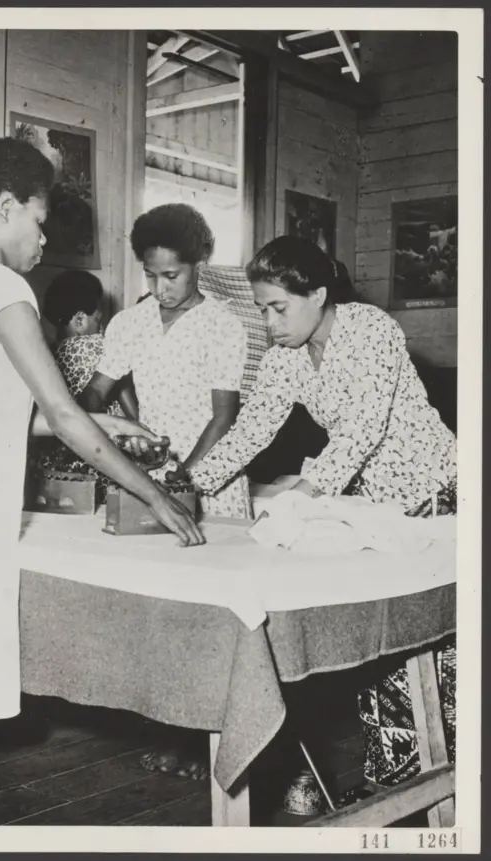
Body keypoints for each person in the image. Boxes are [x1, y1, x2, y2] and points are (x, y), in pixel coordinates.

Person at [0, 138, 203, 813]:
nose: (44, 236)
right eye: (38, 219)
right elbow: (61, 413)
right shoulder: (4, 288)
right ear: (5, 208)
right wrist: (153, 494)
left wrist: (107, 422)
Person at [188, 234, 456, 789]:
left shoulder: (371, 330)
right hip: (379, 510)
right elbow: (251, 429)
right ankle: (394, 785)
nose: (270, 324)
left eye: (278, 308)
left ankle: (448, 785)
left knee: (437, 656)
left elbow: (362, 431)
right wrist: (187, 484)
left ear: (318, 293)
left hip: (438, 498)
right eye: (262, 309)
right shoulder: (285, 357)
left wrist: (302, 498)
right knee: (384, 650)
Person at [80, 203, 252, 521]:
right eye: (150, 275)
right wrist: (109, 431)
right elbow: (95, 392)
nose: (160, 289)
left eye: (171, 276)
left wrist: (183, 475)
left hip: (208, 473)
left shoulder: (223, 326)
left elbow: (224, 416)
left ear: (199, 263)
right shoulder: (129, 322)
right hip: (150, 472)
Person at [30, 269, 138, 505]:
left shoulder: (47, 353)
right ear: (80, 321)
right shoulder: (99, 347)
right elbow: (130, 403)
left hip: (56, 469)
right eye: (98, 320)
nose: (101, 328)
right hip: (102, 459)